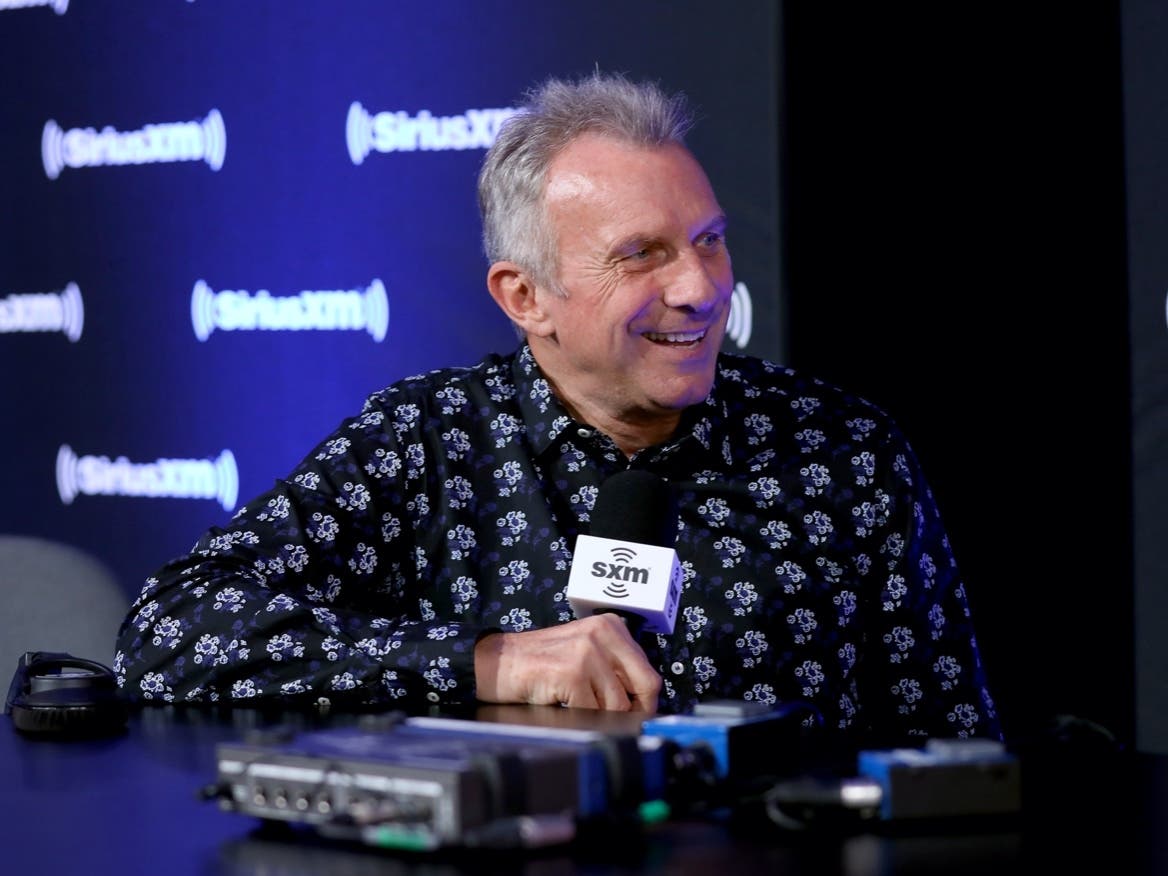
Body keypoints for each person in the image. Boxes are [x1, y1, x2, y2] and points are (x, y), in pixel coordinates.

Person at [113, 70, 1002, 750]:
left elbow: (956, 746)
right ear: (525, 296)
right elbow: (167, 633)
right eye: (641, 255)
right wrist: (490, 661)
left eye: (709, 241)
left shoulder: (844, 448)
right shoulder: (426, 443)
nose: (701, 290)